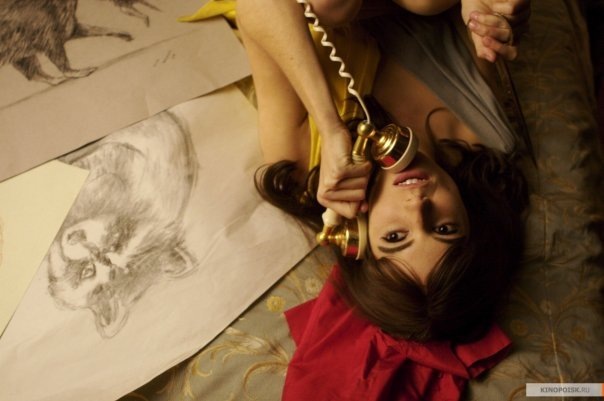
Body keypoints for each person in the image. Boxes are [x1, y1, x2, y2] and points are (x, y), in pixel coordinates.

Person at [233, 0, 531, 399]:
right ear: (470, 217)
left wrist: (329, 124)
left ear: (358, 236)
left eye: (395, 237)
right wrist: (486, 10)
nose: (418, 206)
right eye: (444, 227)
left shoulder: (303, 159)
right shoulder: (479, 133)